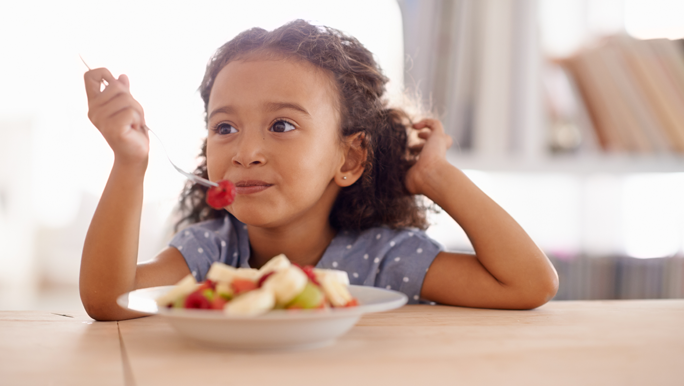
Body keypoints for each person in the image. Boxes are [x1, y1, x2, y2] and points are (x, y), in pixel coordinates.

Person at [80, 20, 558, 321]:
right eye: (225, 127)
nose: (246, 152)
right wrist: (129, 161)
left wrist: (437, 178)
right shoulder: (213, 251)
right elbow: (111, 300)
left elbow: (528, 284)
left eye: (281, 125)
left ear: (348, 158)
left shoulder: (382, 258)